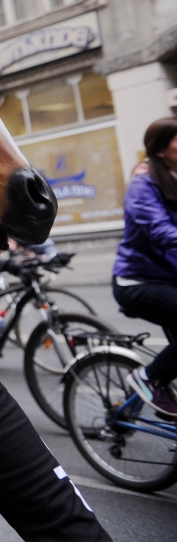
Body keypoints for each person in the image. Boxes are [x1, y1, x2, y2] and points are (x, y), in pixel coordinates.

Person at [113, 116, 177, 418]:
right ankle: (147, 378)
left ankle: (134, 410)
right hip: (137, 283)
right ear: (161, 149)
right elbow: (162, 232)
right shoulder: (143, 186)